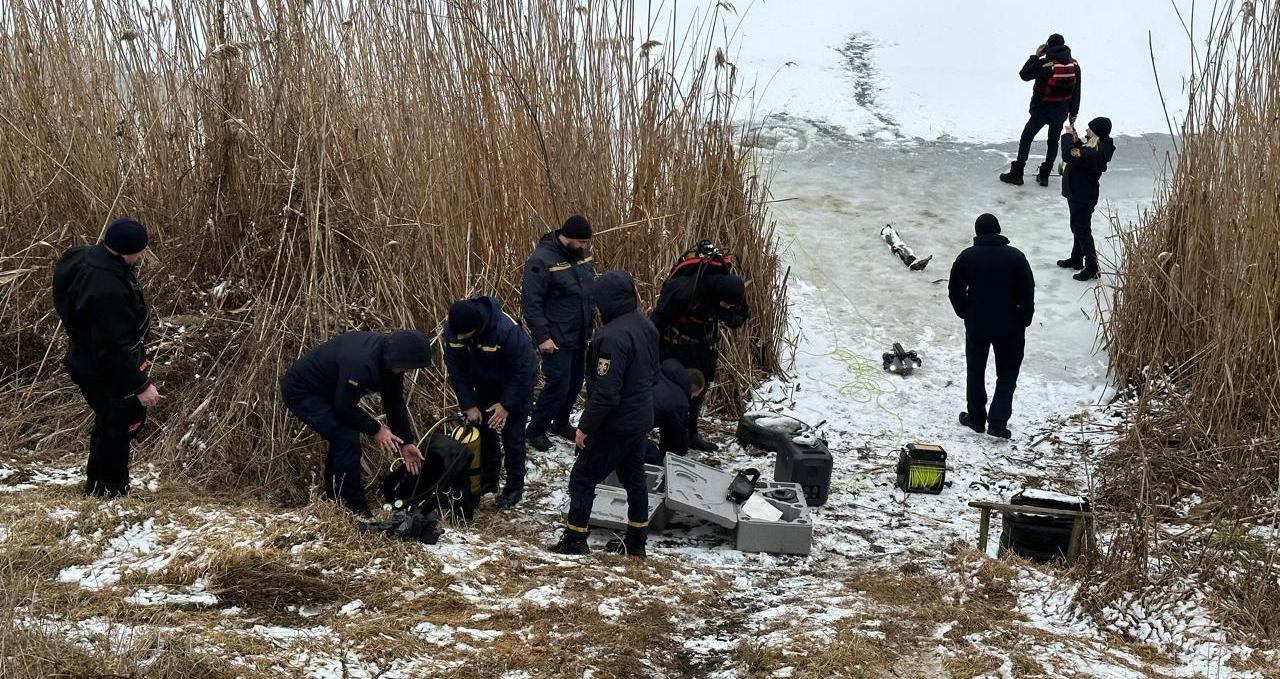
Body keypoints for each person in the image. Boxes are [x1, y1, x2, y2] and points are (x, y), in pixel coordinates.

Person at [549, 270, 658, 558]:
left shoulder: (610, 338)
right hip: (640, 418)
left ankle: (575, 538)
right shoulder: (646, 325)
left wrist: (584, 428)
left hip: (616, 423)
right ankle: (636, 541)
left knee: (583, 478)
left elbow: (607, 392)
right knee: (634, 478)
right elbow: (652, 374)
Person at [52, 217, 159, 498]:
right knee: (120, 420)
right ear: (125, 250)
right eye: (138, 251)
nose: (140, 257)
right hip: (103, 366)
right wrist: (140, 385)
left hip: (84, 355)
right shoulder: (106, 289)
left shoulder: (80, 256)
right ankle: (109, 490)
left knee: (109, 419)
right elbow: (113, 346)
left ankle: (98, 485)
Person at [280, 330, 431, 514]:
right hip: (302, 390)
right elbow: (344, 409)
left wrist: (406, 442)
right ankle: (354, 507)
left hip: (331, 392)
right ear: (399, 358)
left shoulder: (391, 363)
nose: (408, 371)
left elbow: (394, 402)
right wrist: (376, 429)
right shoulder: (361, 363)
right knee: (346, 436)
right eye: (408, 366)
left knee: (344, 436)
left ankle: (333, 499)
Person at [442, 296, 537, 508]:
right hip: (482, 388)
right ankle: (489, 479)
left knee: (512, 437)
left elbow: (527, 370)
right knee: (484, 433)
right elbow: (456, 371)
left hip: (513, 388)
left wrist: (506, 405)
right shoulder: (454, 331)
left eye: (463, 335)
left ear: (477, 327)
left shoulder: (506, 331)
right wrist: (468, 404)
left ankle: (514, 488)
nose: (458, 338)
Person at [948, 214, 1035, 440]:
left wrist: (964, 311)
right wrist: (1024, 318)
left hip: (977, 324)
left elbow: (954, 288)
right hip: (1010, 325)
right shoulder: (1016, 257)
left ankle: (976, 419)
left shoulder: (967, 257)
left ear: (977, 233)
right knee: (1007, 373)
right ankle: (997, 423)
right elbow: (1028, 290)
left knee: (975, 370)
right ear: (998, 230)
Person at [521, 215, 596, 452]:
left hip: (580, 332)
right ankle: (536, 429)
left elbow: (587, 289)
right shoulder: (541, 260)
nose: (584, 246)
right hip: (556, 336)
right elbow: (531, 303)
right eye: (582, 242)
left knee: (575, 383)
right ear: (570, 237)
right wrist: (542, 337)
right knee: (558, 385)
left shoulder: (581, 255)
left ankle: (561, 422)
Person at [651, 271, 749, 452]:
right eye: (725, 303)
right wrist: (651, 352)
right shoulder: (685, 291)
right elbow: (657, 319)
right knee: (674, 392)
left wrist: (727, 312)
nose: (727, 305)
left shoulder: (731, 292)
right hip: (674, 346)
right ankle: (669, 440)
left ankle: (691, 435)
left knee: (698, 390)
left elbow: (740, 317)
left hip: (703, 347)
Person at [1000, 34, 1082, 187]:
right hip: (1061, 111)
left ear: (1048, 46)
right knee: (1053, 142)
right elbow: (1077, 91)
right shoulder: (1074, 65)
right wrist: (1073, 113)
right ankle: (1044, 176)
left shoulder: (1047, 64)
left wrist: (1035, 55)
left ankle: (1017, 173)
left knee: (1026, 137)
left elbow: (1024, 74)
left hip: (1042, 110)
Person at [1058, 117, 1116, 281]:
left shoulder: (1093, 152)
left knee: (1082, 230)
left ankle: (1092, 266)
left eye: (1089, 129)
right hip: (1079, 193)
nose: (1086, 131)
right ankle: (1076, 258)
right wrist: (1076, 140)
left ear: (1096, 132)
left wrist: (1068, 136)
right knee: (1077, 227)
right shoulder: (1095, 147)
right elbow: (1079, 153)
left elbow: (1069, 154)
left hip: (1081, 195)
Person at [645, 359, 705, 465]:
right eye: (695, 394)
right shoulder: (680, 402)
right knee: (654, 459)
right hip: (629, 427)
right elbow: (678, 436)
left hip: (617, 414)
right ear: (693, 387)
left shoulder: (660, 371)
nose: (693, 398)